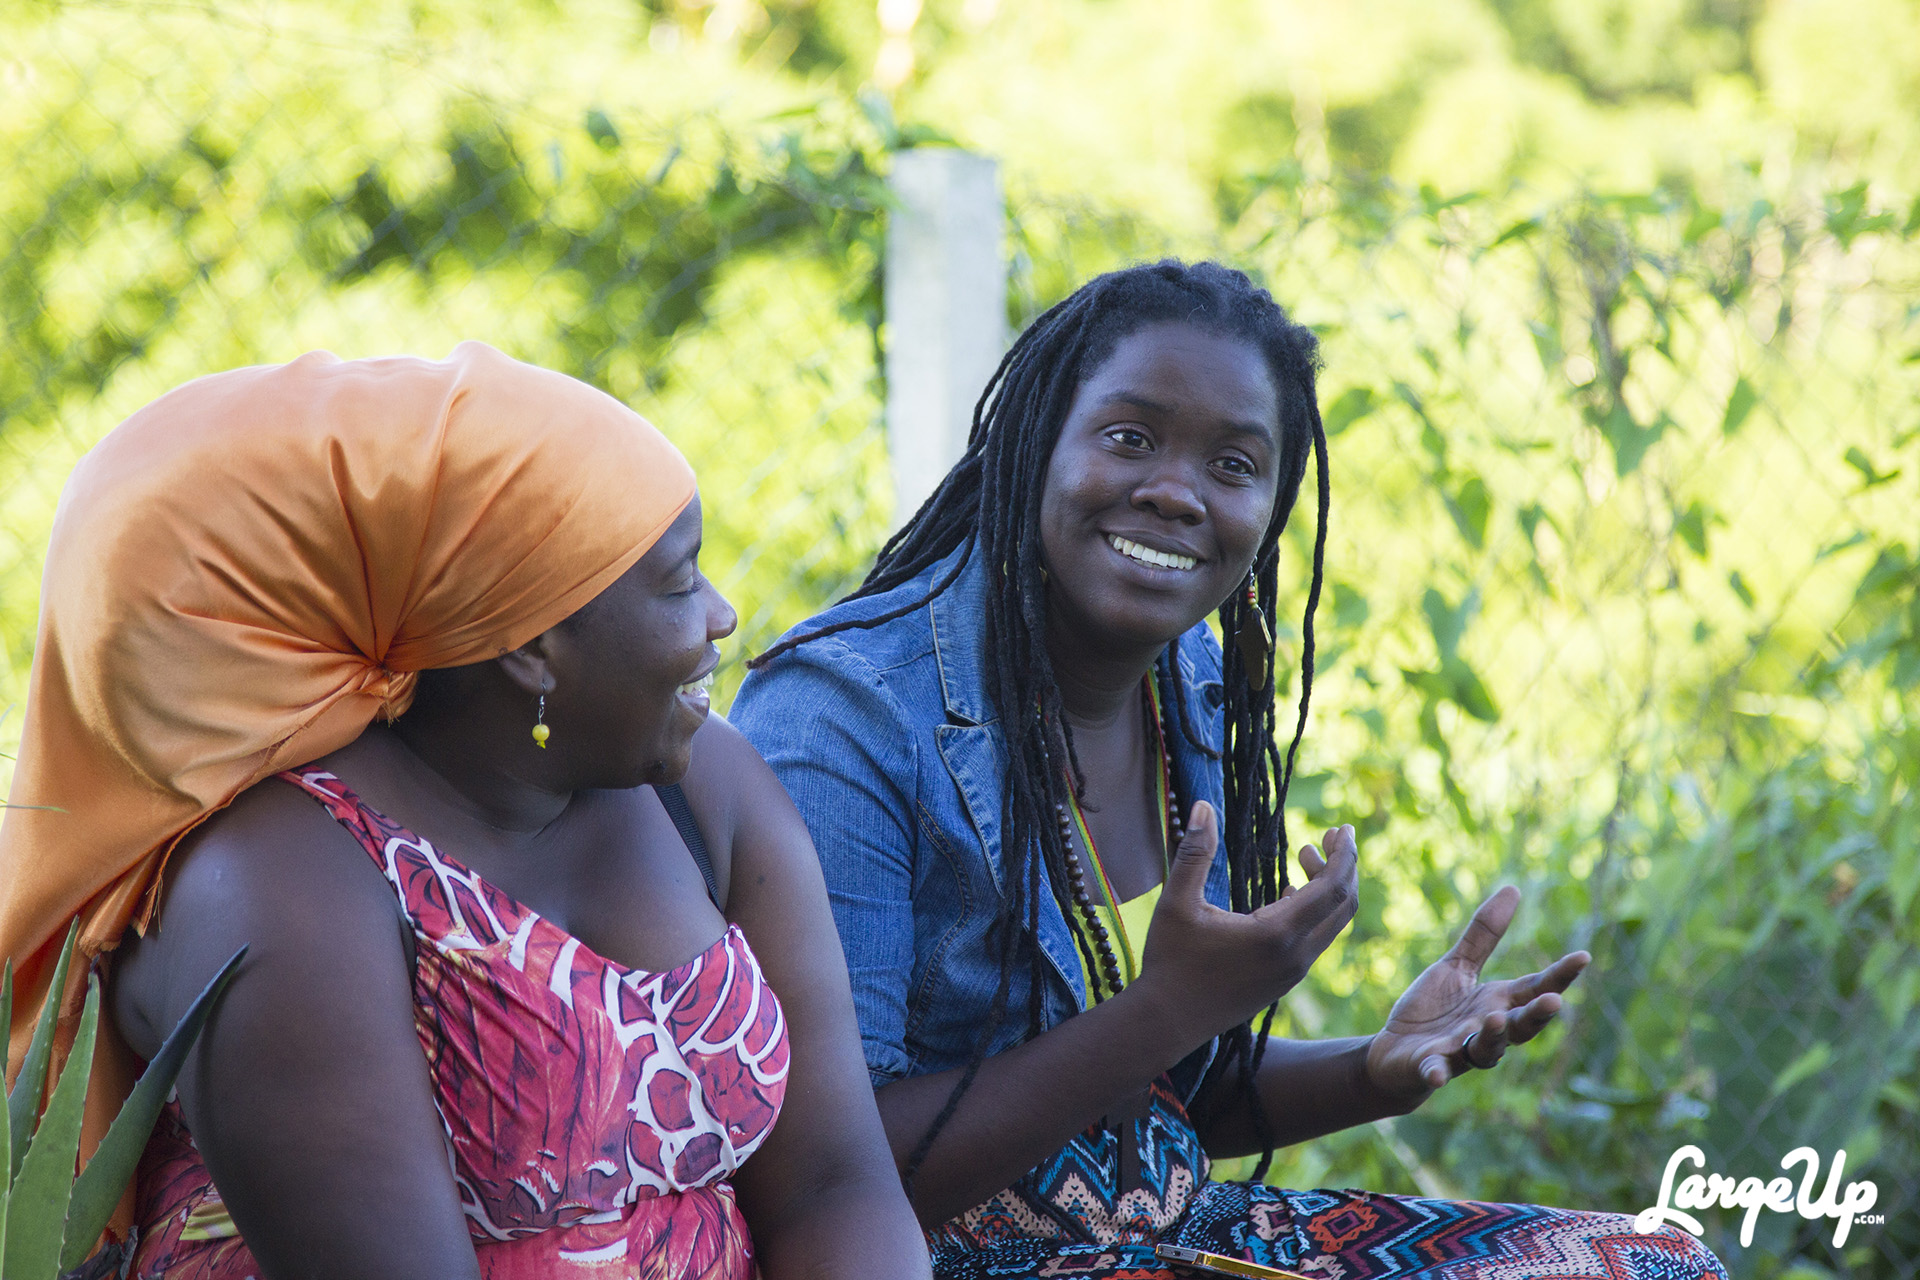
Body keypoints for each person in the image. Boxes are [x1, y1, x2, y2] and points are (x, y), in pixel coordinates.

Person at [731, 262, 1729, 1279]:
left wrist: (1376, 1067)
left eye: (1234, 464)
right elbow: (815, 1184)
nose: (1175, 491)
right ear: (1034, 446)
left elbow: (1170, 1092)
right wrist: (1166, 1006)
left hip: (1174, 1231)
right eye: (1129, 437)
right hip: (938, 1259)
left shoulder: (1188, 682)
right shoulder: (845, 713)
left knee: (1647, 1264)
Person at [0, 343, 932, 1280]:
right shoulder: (277, 884)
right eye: (681, 580)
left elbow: (835, 1185)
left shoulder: (699, 780)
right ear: (533, 645)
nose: (722, 616)